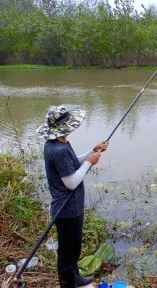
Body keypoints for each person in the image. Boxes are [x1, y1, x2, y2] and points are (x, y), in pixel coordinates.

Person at [36, 105, 109, 287]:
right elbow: (71, 182)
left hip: (72, 207)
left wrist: (92, 151)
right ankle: (68, 283)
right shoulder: (58, 150)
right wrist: (89, 164)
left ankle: (74, 277)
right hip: (66, 209)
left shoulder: (58, 143)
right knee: (68, 251)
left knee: (73, 248)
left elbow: (71, 162)